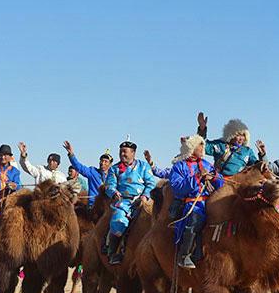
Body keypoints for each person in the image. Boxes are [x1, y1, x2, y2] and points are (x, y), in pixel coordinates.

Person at [169, 135, 224, 268]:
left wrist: (214, 177)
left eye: (202, 145)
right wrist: (198, 177)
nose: (202, 148)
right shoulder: (179, 167)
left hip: (210, 201)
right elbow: (178, 188)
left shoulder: (206, 164)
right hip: (193, 203)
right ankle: (185, 255)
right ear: (191, 148)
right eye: (199, 145)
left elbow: (220, 182)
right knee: (194, 221)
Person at [103, 140, 158, 264]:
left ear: (133, 153)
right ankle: (113, 253)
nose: (122, 154)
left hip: (143, 200)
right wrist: (114, 192)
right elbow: (109, 185)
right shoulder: (114, 169)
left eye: (125, 152)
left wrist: (145, 196)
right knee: (118, 220)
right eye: (121, 151)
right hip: (123, 202)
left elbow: (151, 183)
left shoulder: (144, 166)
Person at [195, 112, 266, 177]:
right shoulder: (220, 145)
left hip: (237, 184)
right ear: (231, 135)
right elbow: (203, 146)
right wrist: (202, 129)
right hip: (218, 180)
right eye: (238, 135)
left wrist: (262, 155)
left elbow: (259, 167)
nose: (241, 138)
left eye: (243, 135)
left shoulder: (247, 151)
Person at [63, 141, 111, 208]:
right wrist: (71, 154)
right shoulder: (93, 172)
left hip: (107, 206)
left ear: (110, 164)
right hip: (93, 206)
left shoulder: (113, 176)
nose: (102, 163)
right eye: (101, 161)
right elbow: (79, 167)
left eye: (106, 161)